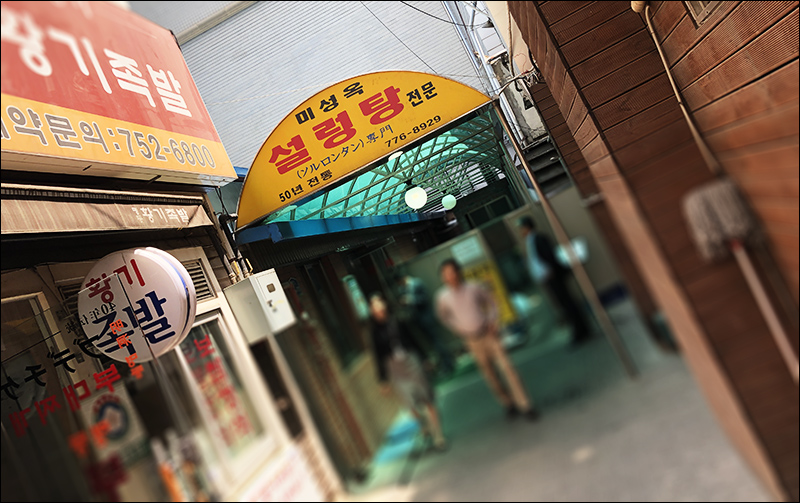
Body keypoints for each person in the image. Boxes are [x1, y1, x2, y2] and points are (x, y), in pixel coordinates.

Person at [435, 259, 540, 421]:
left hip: (488, 335)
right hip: (471, 341)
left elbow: (492, 301)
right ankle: (507, 402)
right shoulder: (442, 297)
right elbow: (444, 317)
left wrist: (493, 320)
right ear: (443, 277)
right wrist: (457, 328)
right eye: (446, 274)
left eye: (452, 272)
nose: (450, 276)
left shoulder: (473, 287)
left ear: (458, 272)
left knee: (508, 369)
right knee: (490, 375)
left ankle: (525, 405)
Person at [368, 293, 447, 452]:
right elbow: (378, 356)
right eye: (374, 308)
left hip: (411, 361)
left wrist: (425, 359)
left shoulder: (400, 320)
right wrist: (382, 380)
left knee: (426, 397)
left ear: (385, 306)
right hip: (394, 368)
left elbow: (414, 340)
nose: (378, 310)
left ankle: (438, 436)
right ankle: (424, 425)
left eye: (379, 305)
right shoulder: (375, 332)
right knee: (409, 404)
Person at [518, 216, 591, 346]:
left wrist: (551, 271)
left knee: (567, 303)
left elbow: (549, 256)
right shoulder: (530, 241)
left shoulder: (539, 238)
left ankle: (581, 330)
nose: (521, 231)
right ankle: (579, 329)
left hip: (553, 277)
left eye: (522, 228)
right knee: (563, 304)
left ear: (527, 227)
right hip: (547, 279)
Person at [395, 274, 456, 376]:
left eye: (401, 283)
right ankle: (446, 362)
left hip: (426, 317)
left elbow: (424, 298)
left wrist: (410, 300)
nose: (401, 286)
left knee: (436, 341)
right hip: (418, 320)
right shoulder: (403, 290)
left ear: (403, 279)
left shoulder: (417, 283)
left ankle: (448, 362)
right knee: (432, 343)